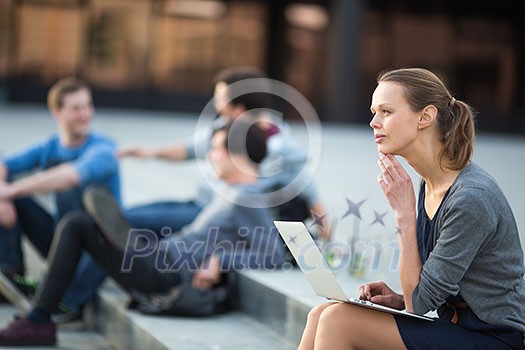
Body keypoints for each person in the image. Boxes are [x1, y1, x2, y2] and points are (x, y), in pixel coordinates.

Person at [0, 120, 285, 346]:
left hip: (166, 273)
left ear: (237, 152)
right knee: (83, 224)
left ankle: (39, 319)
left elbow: (271, 254)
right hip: (162, 255)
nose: (210, 156)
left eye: (216, 149)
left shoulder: (250, 198)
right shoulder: (233, 191)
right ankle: (114, 238)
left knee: (77, 225)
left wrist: (221, 259)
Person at [298, 68, 525, 349]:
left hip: (495, 338)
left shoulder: (470, 198)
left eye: (386, 111)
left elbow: (418, 304)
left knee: (338, 320)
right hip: (457, 328)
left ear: (425, 117)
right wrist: (398, 298)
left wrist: (404, 214)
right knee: (321, 313)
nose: (373, 122)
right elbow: (425, 293)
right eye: (373, 111)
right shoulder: (429, 183)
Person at [119, 66, 330, 240]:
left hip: (213, 216)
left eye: (220, 99)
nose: (216, 105)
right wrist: (148, 153)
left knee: (126, 222)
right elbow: (188, 149)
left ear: (238, 109)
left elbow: (309, 191)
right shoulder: (224, 128)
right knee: (122, 217)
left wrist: (327, 239)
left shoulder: (283, 149)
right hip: (198, 203)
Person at [0, 77, 121, 319]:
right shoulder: (50, 146)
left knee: (55, 192)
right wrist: (3, 193)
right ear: (57, 112)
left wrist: (9, 191)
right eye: (76, 108)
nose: (85, 114)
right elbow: (4, 164)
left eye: (88, 106)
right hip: (62, 238)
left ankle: (61, 296)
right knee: (8, 191)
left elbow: (71, 177)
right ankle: (12, 274)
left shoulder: (104, 148)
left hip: (98, 247)